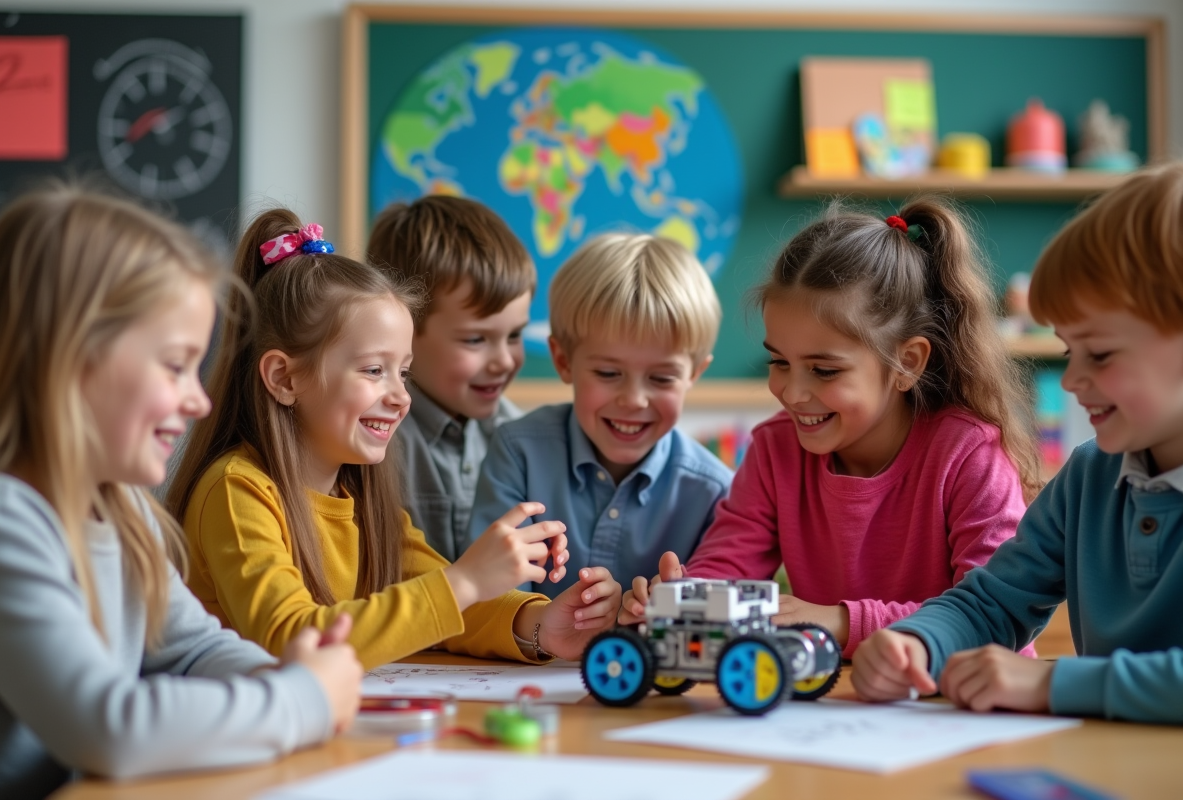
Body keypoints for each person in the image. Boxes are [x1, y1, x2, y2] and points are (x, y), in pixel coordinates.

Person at [0, 188, 361, 799]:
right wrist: (299, 701)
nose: (199, 400)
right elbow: (106, 728)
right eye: (175, 365)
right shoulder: (0, 522)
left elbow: (190, 648)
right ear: (71, 361)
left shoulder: (121, 506)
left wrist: (287, 674)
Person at [169, 210, 621, 670]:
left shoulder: (365, 496)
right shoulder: (236, 491)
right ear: (284, 378)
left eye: (402, 373)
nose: (401, 396)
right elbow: (291, 639)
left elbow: (441, 603)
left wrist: (542, 622)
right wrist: (466, 580)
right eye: (373, 370)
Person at [621, 198, 1041, 658]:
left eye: (823, 370)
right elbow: (728, 563)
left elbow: (996, 616)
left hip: (966, 706)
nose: (792, 392)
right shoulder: (774, 450)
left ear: (906, 363)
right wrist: (685, 598)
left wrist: (840, 620)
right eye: (779, 361)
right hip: (841, 700)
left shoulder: (969, 455)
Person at [852, 164, 1183, 723]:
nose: (1073, 379)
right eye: (1068, 350)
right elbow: (991, 603)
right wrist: (916, 642)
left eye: (1098, 354)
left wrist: (1054, 681)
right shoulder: (1088, 477)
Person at [469, 233, 732, 598]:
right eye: (609, 374)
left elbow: (711, 620)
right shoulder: (518, 453)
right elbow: (488, 599)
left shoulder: (715, 492)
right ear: (564, 361)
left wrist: (659, 613)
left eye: (661, 378)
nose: (634, 399)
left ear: (693, 375)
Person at [367, 196, 534, 562]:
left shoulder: (520, 436)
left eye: (515, 335)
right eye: (476, 339)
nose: (504, 360)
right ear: (404, 331)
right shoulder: (372, 441)